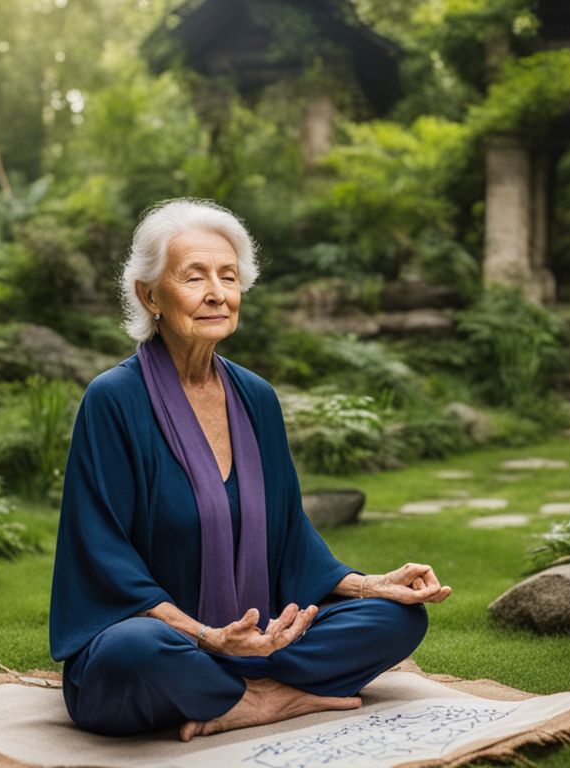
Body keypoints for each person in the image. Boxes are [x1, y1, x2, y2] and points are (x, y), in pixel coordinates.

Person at [48, 198, 452, 741]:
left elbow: (290, 536)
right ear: (150, 296)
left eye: (229, 276)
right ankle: (271, 698)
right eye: (194, 277)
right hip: (165, 640)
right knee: (130, 654)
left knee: (396, 618)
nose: (217, 292)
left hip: (258, 639)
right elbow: (104, 559)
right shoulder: (113, 400)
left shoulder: (256, 398)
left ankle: (230, 697)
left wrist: (370, 585)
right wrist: (208, 637)